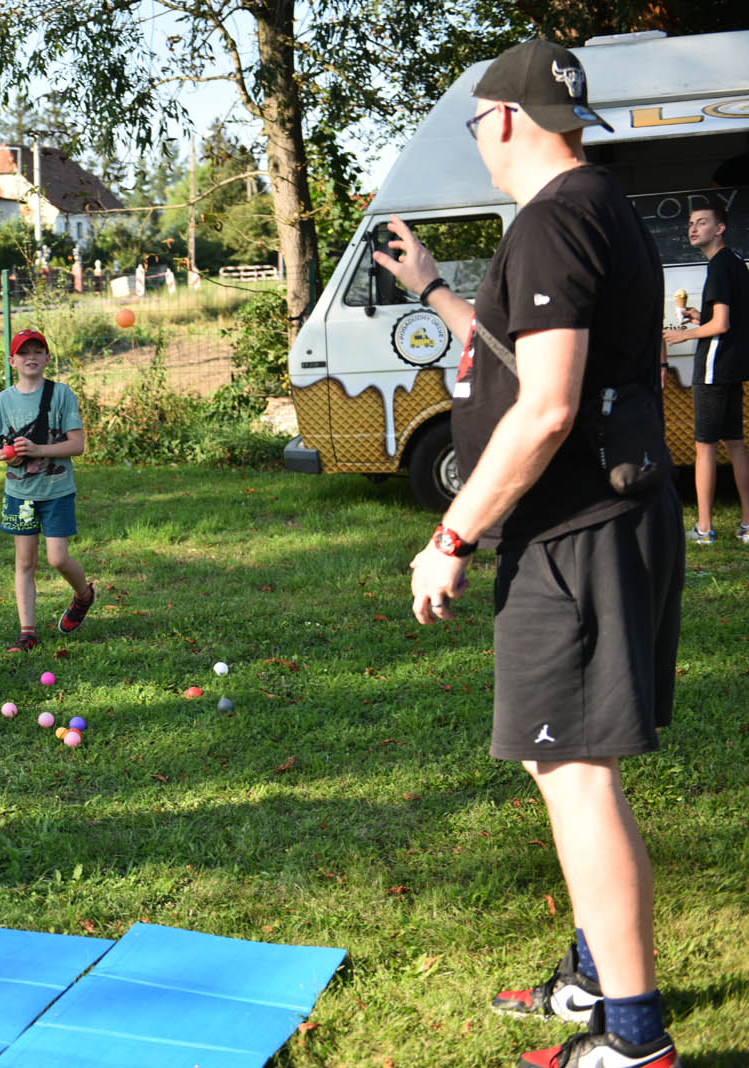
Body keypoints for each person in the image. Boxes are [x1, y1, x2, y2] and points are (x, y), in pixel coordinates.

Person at [373, 40, 683, 1068]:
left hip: (573, 532)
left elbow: (545, 409)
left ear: (503, 119)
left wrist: (450, 533)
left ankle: (632, 1041)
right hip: (604, 517)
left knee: (572, 772)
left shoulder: (553, 221)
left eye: (474, 125)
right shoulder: (597, 206)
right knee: (577, 767)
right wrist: (433, 289)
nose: (477, 142)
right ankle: (595, 981)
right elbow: (526, 357)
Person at [0, 329, 95, 652]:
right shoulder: (4, 401)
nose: (31, 357)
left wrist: (38, 449)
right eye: (23, 352)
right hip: (20, 494)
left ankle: (84, 596)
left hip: (57, 491)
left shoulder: (61, 395)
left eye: (37, 351)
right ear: (12, 360)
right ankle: (27, 632)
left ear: (46, 358)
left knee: (57, 559)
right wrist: (4, 454)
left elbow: (78, 444)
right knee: (25, 562)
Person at [662, 205, 749, 544]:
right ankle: (746, 526)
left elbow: (722, 325)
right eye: (690, 224)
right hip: (732, 367)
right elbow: (727, 320)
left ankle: (703, 528)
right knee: (738, 446)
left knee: (705, 449)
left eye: (702, 223)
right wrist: (701, 317)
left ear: (720, 228)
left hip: (713, 369)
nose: (693, 229)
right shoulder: (735, 264)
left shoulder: (718, 268)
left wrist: (683, 334)